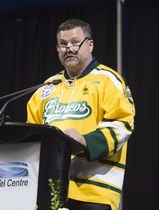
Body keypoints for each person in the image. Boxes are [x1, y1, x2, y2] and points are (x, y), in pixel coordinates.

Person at [26, 19, 135, 210]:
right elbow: (31, 134)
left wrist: (84, 140)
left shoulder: (109, 80)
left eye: (75, 42)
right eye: (63, 44)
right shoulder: (48, 86)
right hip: (50, 190)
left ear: (90, 44)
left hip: (94, 192)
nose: (69, 48)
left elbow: (122, 125)